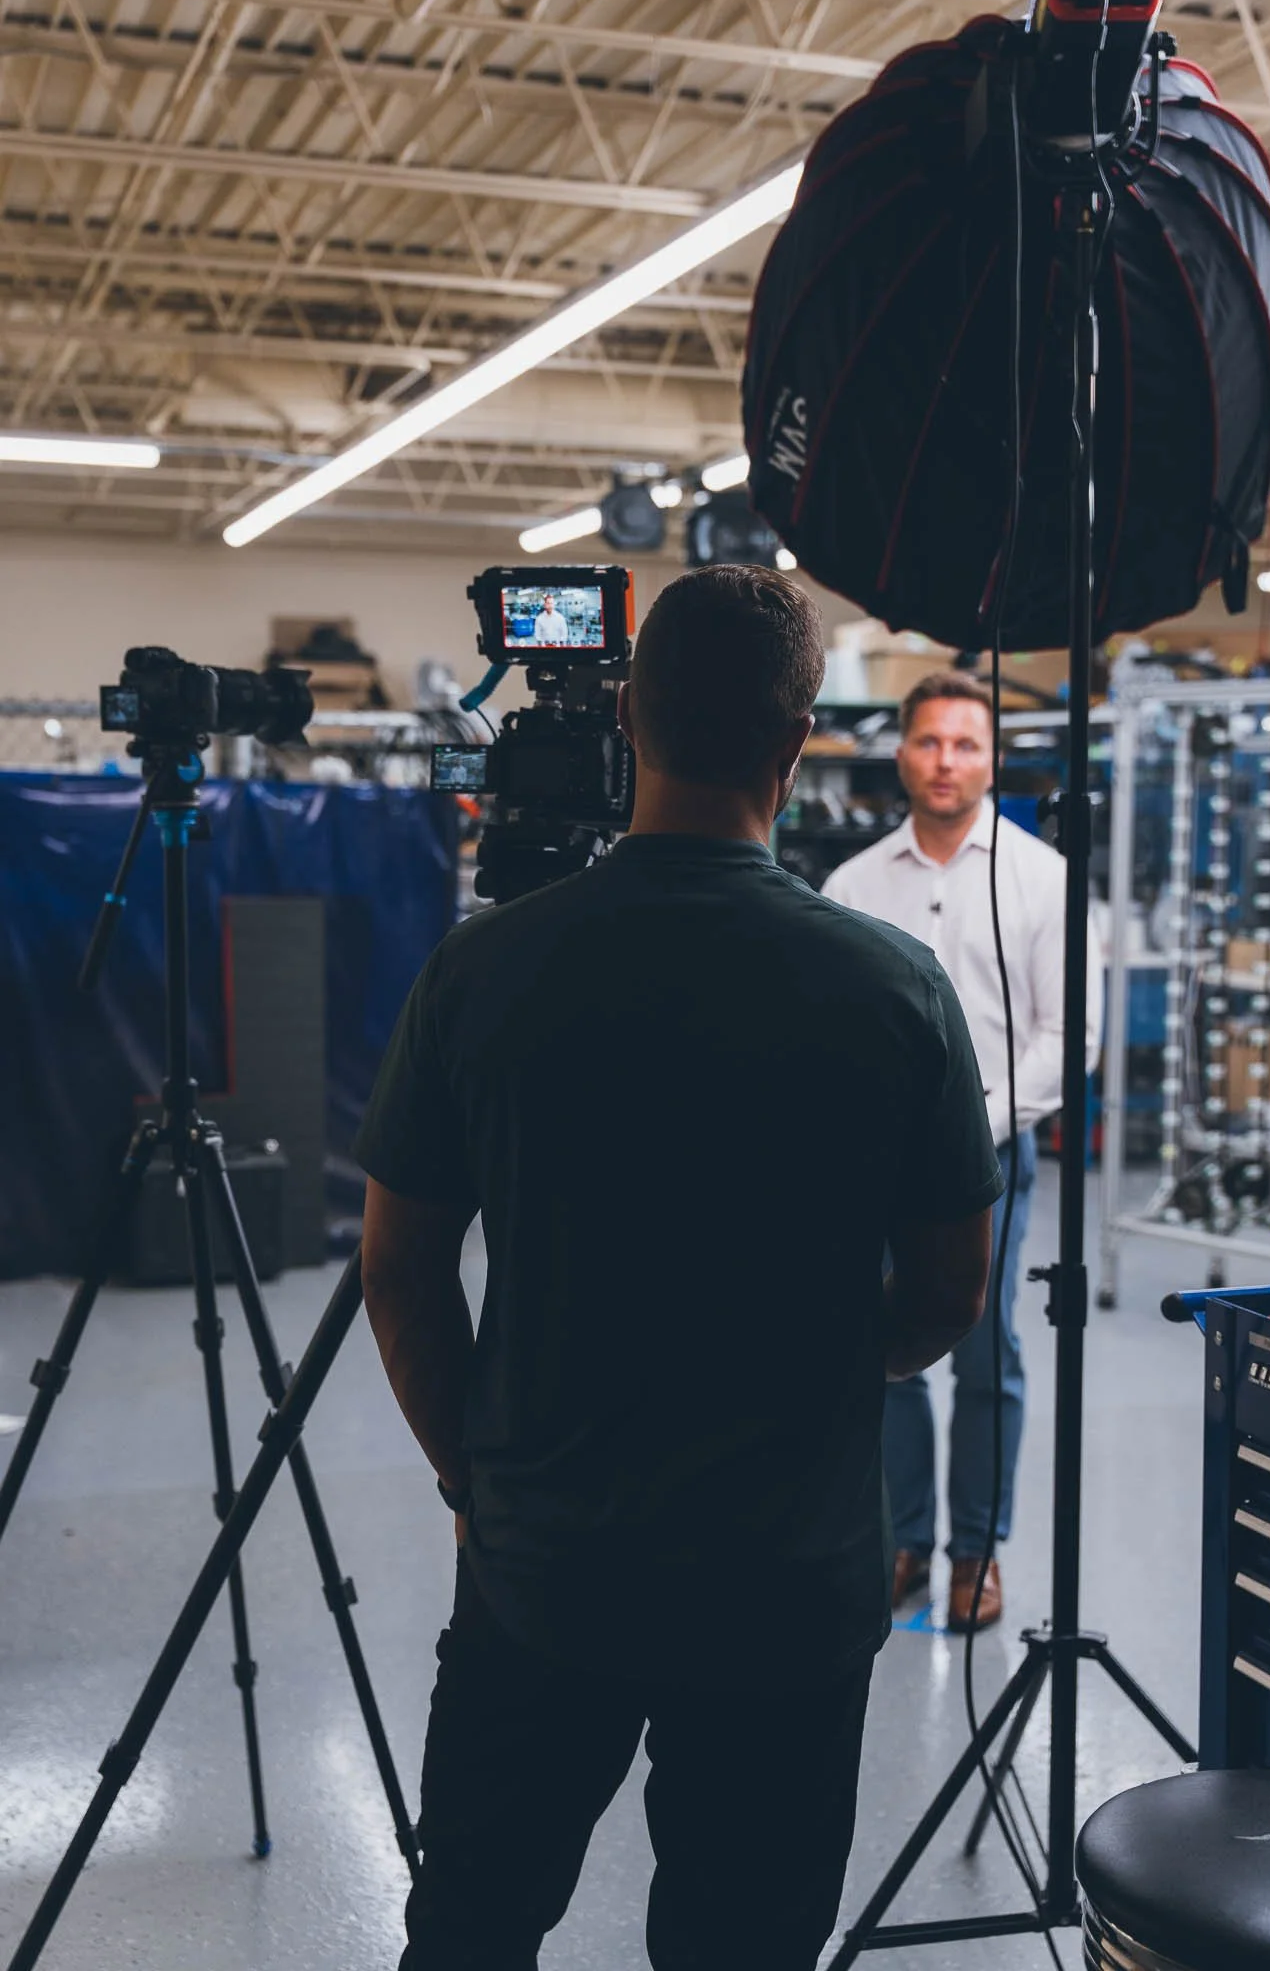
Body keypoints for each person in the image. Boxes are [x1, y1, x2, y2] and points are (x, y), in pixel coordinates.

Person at [356, 569, 1002, 1971]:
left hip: (542, 1568)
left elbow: (397, 1269)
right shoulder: (895, 988)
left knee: (470, 1930)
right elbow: (952, 1291)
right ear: (795, 746)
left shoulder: (481, 970)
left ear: (628, 724)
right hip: (786, 1586)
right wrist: (841, 1362)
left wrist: (476, 1479)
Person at [823, 669, 1103, 1635]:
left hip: (992, 1155)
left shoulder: (1042, 879)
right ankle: (903, 1541)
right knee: (884, 1349)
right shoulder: (852, 886)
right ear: (901, 753)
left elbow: (1067, 1035)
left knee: (987, 1352)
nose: (946, 761)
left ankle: (976, 1552)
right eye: (929, 741)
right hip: (873, 1163)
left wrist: (974, 1121)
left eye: (966, 744)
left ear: (993, 759)